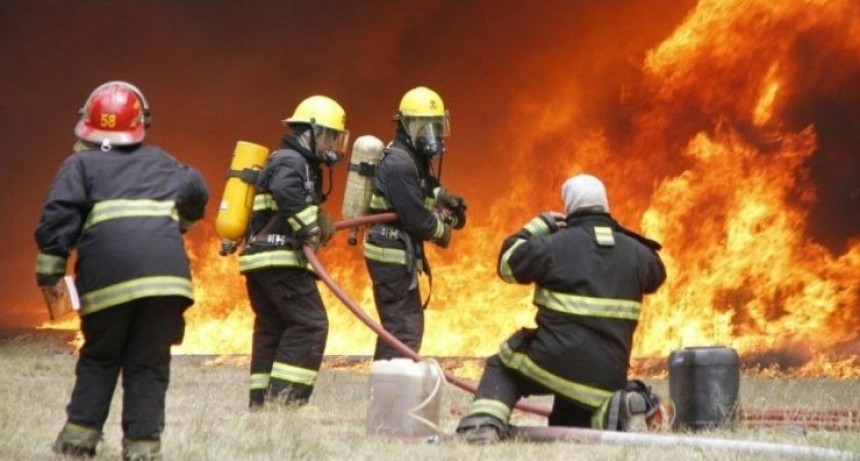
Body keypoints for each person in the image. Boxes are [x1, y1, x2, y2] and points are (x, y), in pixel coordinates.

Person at [35, 81, 209, 460]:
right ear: (140, 122)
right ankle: (143, 450)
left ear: (88, 124)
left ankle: (78, 444)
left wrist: (50, 275)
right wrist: (180, 224)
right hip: (167, 284)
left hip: (108, 282)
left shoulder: (80, 165)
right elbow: (196, 188)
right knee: (149, 364)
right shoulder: (164, 162)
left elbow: (57, 220)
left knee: (101, 358)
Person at [456, 173, 667, 444]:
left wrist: (538, 226)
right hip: (607, 374)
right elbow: (657, 274)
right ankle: (614, 409)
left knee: (503, 364)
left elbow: (508, 265)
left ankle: (482, 425)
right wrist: (619, 236)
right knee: (568, 424)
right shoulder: (639, 254)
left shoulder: (553, 246)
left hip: (552, 360)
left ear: (568, 209)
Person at [239, 95, 349, 408]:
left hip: (261, 261)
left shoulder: (293, 161)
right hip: (280, 259)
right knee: (310, 324)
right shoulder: (291, 160)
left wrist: (312, 216)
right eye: (329, 136)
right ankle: (285, 402)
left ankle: (262, 405)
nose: (332, 145)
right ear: (311, 132)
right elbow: (285, 190)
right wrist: (309, 225)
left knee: (272, 329)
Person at [363, 86, 467, 360]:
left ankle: (389, 390)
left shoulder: (411, 159)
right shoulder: (398, 163)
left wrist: (446, 199)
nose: (430, 135)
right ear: (406, 125)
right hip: (390, 254)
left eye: (435, 127)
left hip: (397, 253)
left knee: (402, 327)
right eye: (423, 127)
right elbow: (416, 218)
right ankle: (390, 392)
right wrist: (443, 230)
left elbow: (423, 188)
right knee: (403, 329)